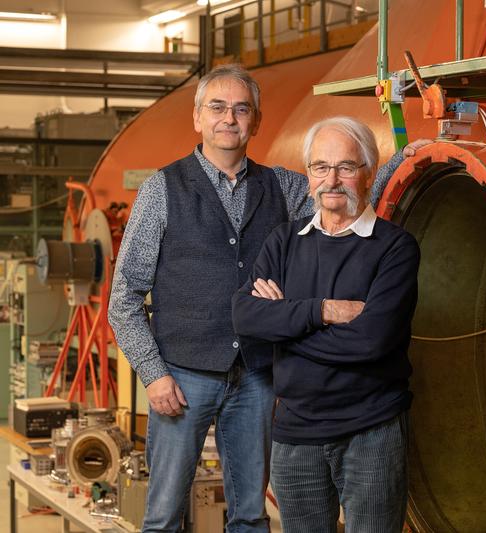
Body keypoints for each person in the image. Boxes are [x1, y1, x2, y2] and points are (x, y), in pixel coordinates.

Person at [108, 65, 425, 533]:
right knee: (162, 516)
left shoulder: (286, 185)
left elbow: (341, 192)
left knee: (251, 516)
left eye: (242, 109)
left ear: (256, 121)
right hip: (183, 376)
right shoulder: (162, 190)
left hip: (258, 379)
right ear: (197, 118)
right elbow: (124, 297)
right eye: (217, 108)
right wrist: (154, 374)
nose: (229, 119)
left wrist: (407, 161)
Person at [231, 116, 420, 533]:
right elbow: (245, 316)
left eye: (345, 168)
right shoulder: (284, 241)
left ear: (368, 173)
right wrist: (324, 311)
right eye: (320, 167)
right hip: (294, 434)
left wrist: (286, 325)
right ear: (309, 175)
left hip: (371, 432)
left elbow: (372, 342)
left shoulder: (395, 248)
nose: (331, 179)